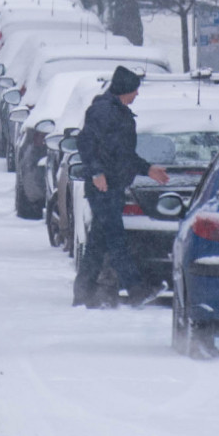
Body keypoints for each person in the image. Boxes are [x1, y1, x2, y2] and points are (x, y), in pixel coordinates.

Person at [73, 66, 169, 307]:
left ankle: (82, 293)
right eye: (134, 90)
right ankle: (137, 289)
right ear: (124, 89)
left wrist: (147, 169)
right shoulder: (102, 111)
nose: (136, 95)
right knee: (116, 240)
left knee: (97, 244)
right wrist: (96, 173)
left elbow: (123, 155)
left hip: (114, 186)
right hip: (103, 187)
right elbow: (86, 143)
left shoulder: (120, 112)